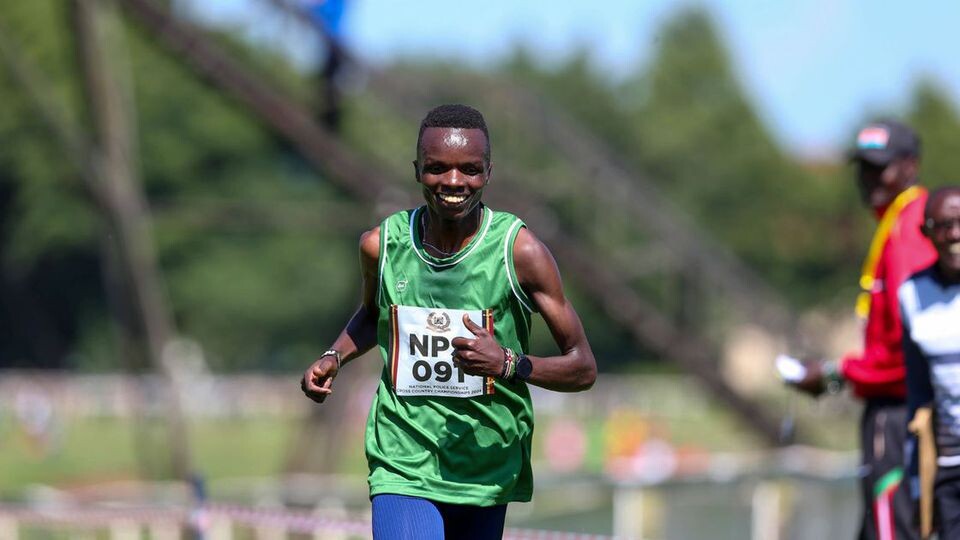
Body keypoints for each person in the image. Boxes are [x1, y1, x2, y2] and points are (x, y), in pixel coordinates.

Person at [300, 104, 597, 539]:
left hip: (485, 464)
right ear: (417, 171)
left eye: (470, 170)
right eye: (437, 168)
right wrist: (334, 355)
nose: (454, 182)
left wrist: (508, 364)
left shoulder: (520, 253)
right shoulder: (381, 246)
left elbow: (582, 367)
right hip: (403, 458)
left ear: (488, 172)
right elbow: (372, 315)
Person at [788, 120, 936, 540]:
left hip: (899, 414)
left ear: (910, 166)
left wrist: (836, 375)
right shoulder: (898, 222)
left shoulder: (910, 229)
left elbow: (912, 345)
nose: (869, 179)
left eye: (880, 167)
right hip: (896, 409)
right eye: (863, 168)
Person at [901, 186, 960, 538]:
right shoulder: (912, 295)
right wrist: (918, 485)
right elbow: (919, 395)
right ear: (926, 232)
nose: (954, 234)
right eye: (944, 225)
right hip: (950, 470)